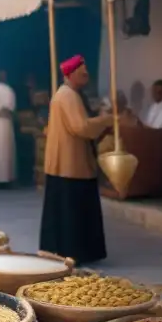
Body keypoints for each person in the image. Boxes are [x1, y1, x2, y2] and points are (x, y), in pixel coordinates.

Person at [40, 56, 115, 265]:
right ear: (71, 75)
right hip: (71, 164)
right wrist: (106, 120)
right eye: (83, 74)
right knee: (72, 210)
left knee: (66, 209)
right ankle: (74, 251)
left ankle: (65, 249)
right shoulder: (68, 96)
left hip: (67, 162)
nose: (86, 77)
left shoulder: (68, 94)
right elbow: (80, 127)